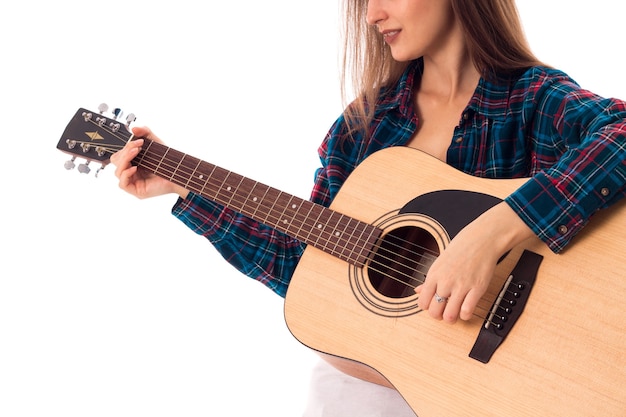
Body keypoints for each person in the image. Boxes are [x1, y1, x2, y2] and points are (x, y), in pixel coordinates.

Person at [110, 0, 626, 415]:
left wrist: (493, 231)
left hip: (513, 386)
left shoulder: (534, 99)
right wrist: (185, 191)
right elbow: (307, 271)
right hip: (371, 392)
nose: (371, 14)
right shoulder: (363, 127)